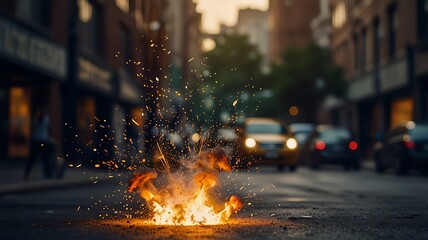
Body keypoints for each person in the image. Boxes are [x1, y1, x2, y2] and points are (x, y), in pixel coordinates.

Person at [24, 109, 56, 180]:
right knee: (46, 158)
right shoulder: (46, 119)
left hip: (36, 140)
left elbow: (33, 129)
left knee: (32, 158)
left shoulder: (36, 119)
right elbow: (49, 130)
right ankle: (48, 174)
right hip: (43, 141)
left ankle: (26, 174)